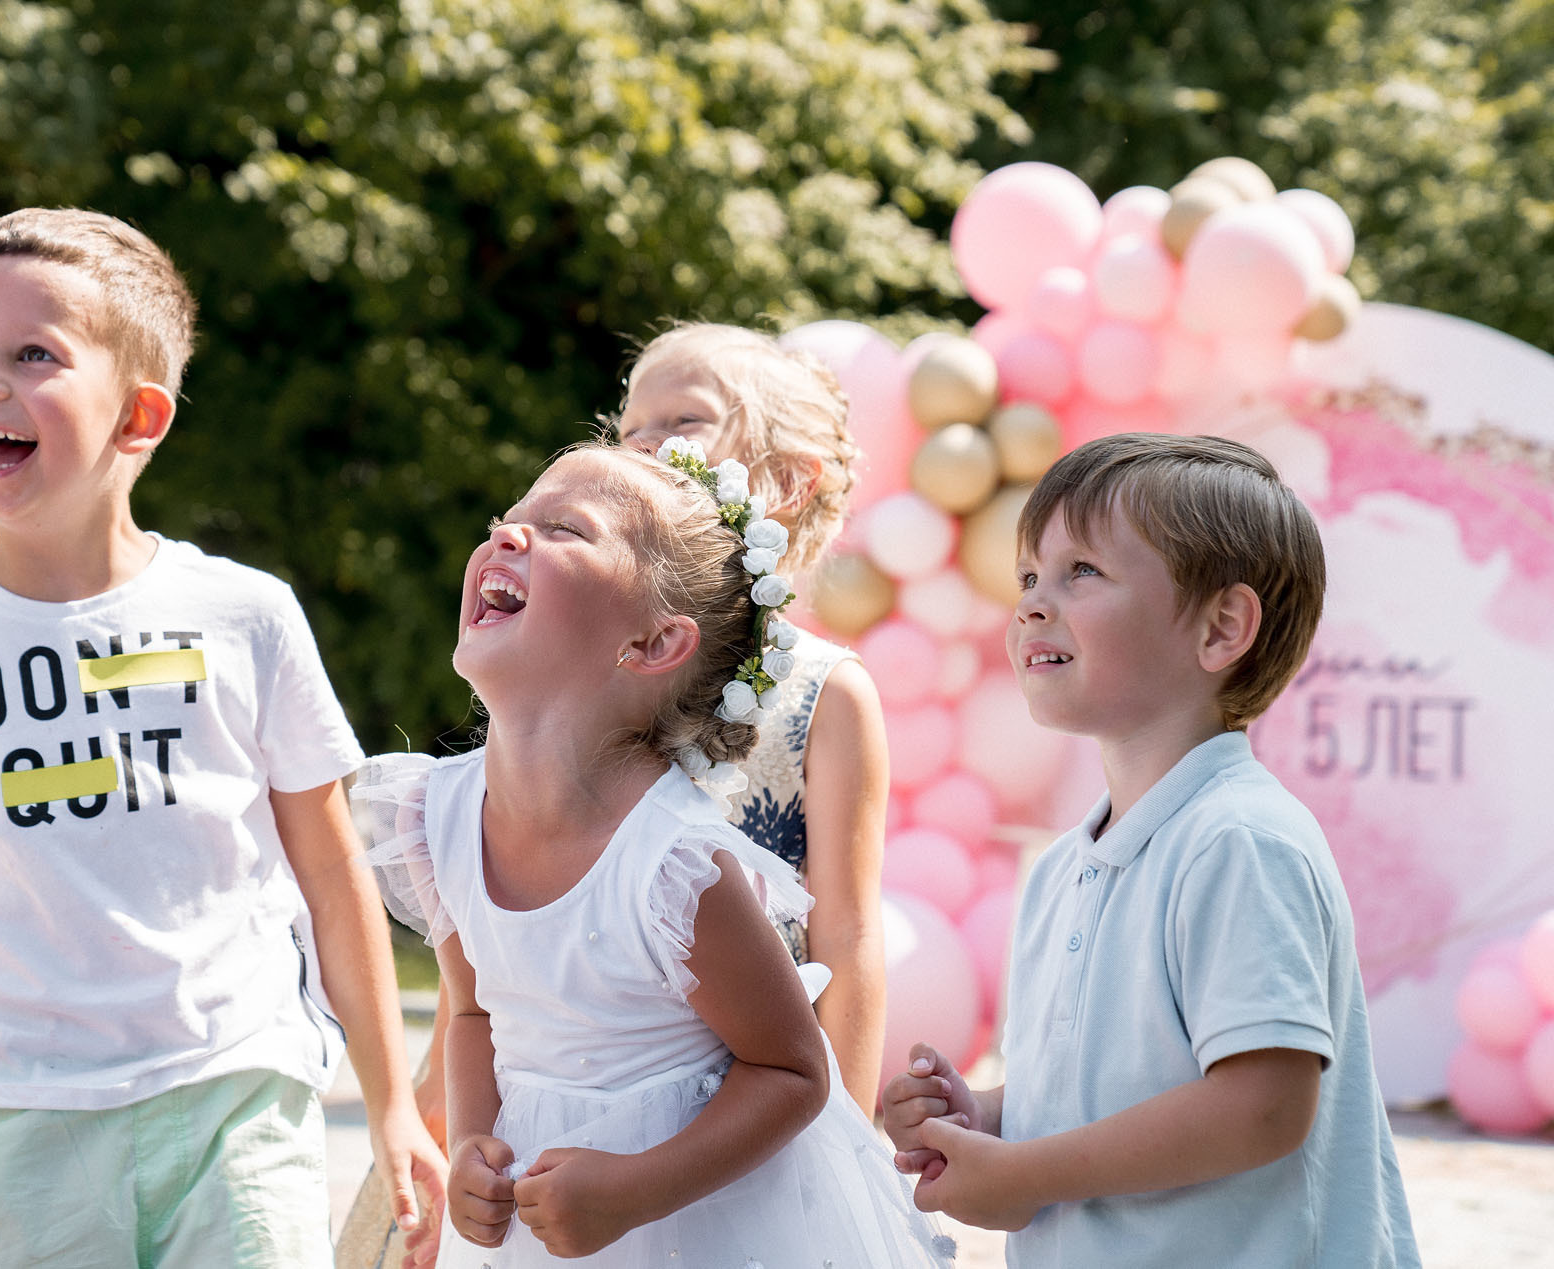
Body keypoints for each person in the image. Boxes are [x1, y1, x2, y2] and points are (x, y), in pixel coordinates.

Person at [0, 208, 445, 1267]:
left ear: (138, 418)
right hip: (14, 1122)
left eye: (32, 355)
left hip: (235, 1091)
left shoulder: (245, 615)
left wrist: (393, 1109)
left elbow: (333, 876)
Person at [359, 439, 954, 1265]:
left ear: (649, 644)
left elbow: (791, 1074)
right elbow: (471, 1013)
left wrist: (636, 1188)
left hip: (689, 1218)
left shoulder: (674, 866)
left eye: (564, 527)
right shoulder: (436, 817)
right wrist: (469, 1143)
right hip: (537, 1222)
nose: (507, 535)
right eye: (507, 517)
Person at [882, 433, 1420, 1267]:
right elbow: (1097, 1094)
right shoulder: (1066, 866)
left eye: (1082, 572)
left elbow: (1263, 1106)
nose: (1030, 602)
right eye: (1029, 575)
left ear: (1222, 626)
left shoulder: (1238, 840)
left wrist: (1024, 1171)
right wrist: (985, 1116)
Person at [617, 322, 892, 1113]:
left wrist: (845, 1142)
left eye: (681, 422)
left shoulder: (825, 691)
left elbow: (847, 933)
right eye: (631, 428)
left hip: (747, 1099)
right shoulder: (579, 658)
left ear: (787, 481)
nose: (644, 448)